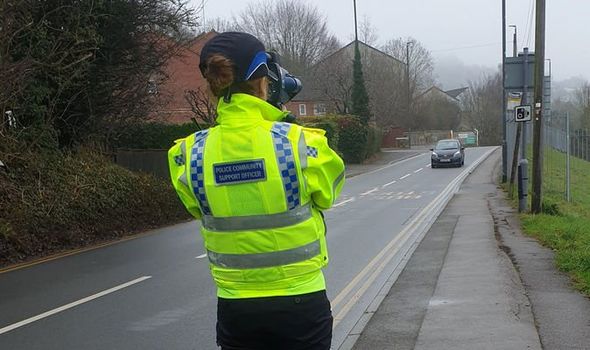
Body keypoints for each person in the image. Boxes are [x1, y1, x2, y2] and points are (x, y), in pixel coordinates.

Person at [168, 32, 345, 350]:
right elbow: (327, 195)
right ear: (264, 81)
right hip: (301, 300)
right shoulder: (300, 143)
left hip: (236, 306)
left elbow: (198, 208)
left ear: (213, 85)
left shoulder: (188, 155)